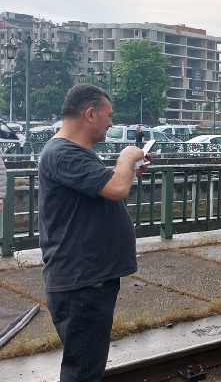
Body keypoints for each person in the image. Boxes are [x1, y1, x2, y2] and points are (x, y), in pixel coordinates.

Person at [38, 84, 150, 382]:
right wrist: (126, 158)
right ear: (90, 114)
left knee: (87, 365)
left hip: (89, 278)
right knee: (83, 372)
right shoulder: (64, 153)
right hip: (82, 282)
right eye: (108, 115)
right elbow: (115, 189)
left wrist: (129, 170)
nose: (112, 122)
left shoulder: (73, 153)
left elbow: (107, 186)